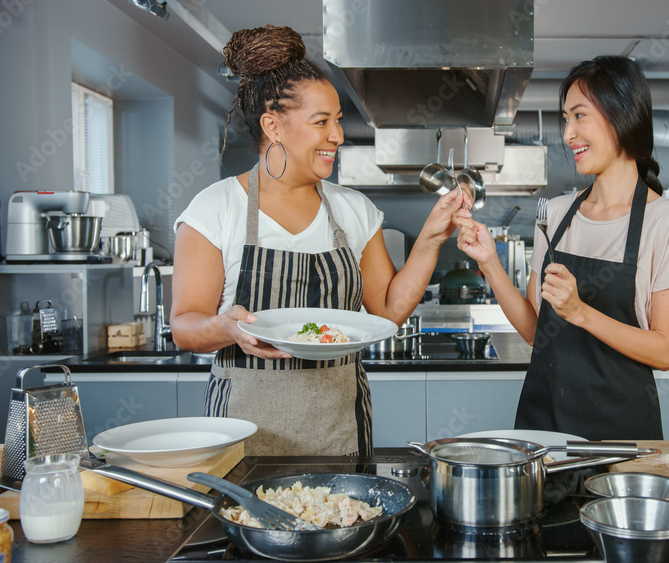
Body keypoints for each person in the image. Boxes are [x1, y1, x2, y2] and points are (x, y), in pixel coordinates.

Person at [170, 25, 464, 456]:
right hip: (241, 434)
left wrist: (431, 239)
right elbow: (184, 326)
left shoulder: (354, 209)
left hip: (339, 429)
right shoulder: (215, 208)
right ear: (273, 126)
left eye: (339, 121)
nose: (338, 137)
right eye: (321, 122)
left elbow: (388, 311)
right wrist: (224, 326)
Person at [455, 55, 669, 440]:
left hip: (620, 435)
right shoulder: (555, 214)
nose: (568, 135)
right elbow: (536, 331)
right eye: (566, 119)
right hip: (544, 427)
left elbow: (666, 351)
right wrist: (491, 265)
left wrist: (580, 312)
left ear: (622, 115)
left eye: (579, 116)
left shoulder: (666, 222)